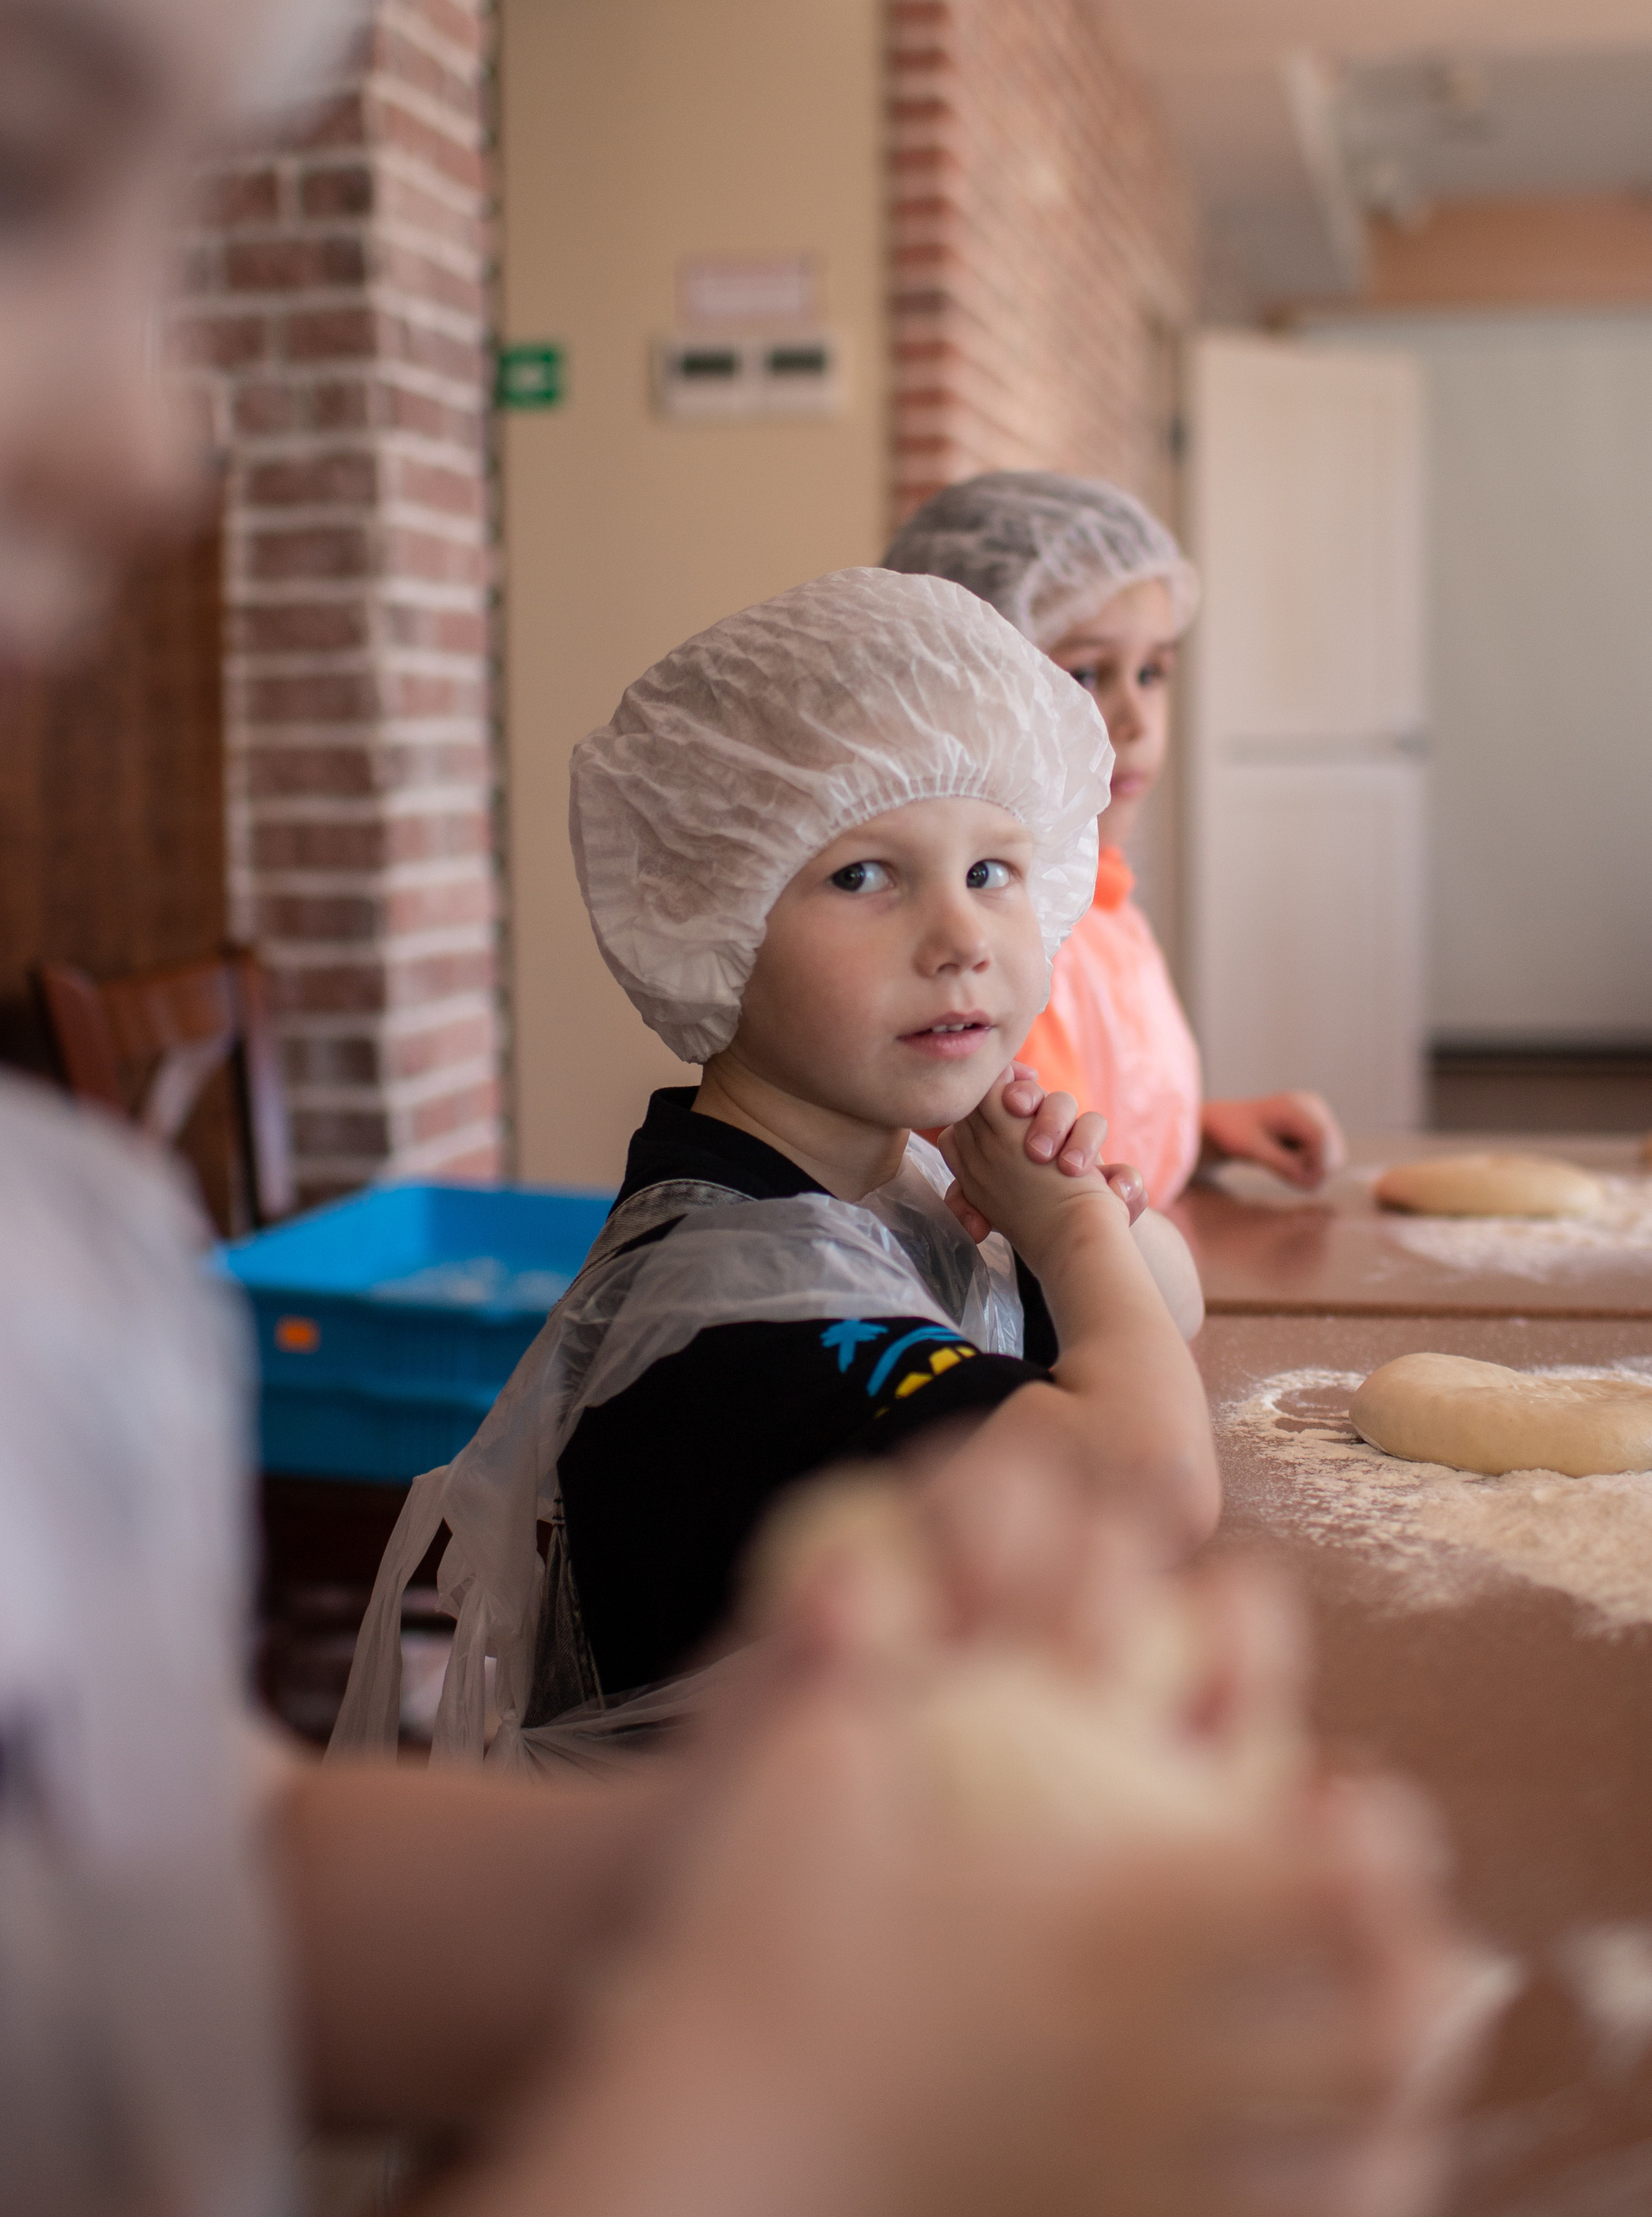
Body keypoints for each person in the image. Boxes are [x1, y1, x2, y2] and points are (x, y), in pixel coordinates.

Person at [0, 0, 1484, 2217]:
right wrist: (771, 2119)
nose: (147, 440)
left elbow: (194, 1884)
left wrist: (798, 1874)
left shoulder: (2, 1267)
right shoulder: (718, 1313)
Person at [336, 568, 1217, 1761]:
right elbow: (1156, 1486)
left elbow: (1169, 1303)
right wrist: (1069, 1231)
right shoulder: (748, 1305)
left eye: (991, 872)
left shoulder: (857, 1182)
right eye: (864, 876)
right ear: (716, 916)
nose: (960, 938)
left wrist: (1075, 1216)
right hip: (759, 1868)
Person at [884, 473, 1348, 1207]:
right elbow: (1027, 1207)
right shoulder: (979, 945)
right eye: (1088, 673)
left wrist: (1199, 1134)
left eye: (1152, 672)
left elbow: (1091, 1126)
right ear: (967, 687)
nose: (1136, 719)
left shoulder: (1101, 895)